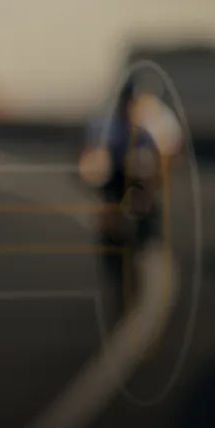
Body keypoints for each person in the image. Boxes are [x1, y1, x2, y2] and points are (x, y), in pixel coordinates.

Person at [78, 74, 183, 325]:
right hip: (113, 178)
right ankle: (118, 268)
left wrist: (150, 184)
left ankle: (145, 249)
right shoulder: (105, 123)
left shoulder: (161, 122)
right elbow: (90, 158)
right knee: (109, 225)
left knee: (148, 224)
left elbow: (169, 157)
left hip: (144, 179)